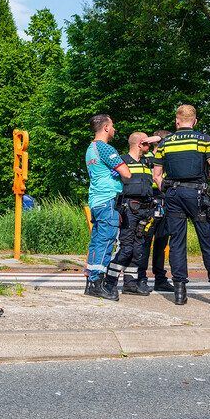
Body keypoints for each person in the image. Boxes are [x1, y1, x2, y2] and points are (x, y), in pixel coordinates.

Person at [152, 105, 210, 306]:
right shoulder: (203, 139)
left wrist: (167, 186)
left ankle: (179, 293)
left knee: (176, 242)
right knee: (207, 241)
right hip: (197, 194)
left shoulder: (166, 142)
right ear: (195, 121)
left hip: (173, 194)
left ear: (177, 121)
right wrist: (201, 177)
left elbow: (157, 175)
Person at [104, 132, 161, 298]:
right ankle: (110, 282)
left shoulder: (148, 160)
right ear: (139, 144)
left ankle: (130, 284)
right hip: (129, 209)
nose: (149, 147)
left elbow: (166, 143)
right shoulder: (121, 161)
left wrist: (155, 139)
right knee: (127, 248)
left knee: (138, 248)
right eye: (146, 144)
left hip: (146, 210)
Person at [84, 114, 131, 300]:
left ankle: (91, 282)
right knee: (106, 240)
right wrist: (120, 170)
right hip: (108, 199)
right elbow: (126, 173)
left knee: (96, 240)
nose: (114, 129)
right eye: (112, 126)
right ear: (105, 128)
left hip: (96, 200)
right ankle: (98, 284)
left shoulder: (90, 149)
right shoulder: (104, 148)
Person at [125, 130, 174, 293]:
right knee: (144, 242)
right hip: (148, 202)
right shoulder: (146, 159)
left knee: (161, 242)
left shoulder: (167, 161)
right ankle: (141, 278)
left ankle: (160, 278)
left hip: (164, 201)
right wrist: (155, 140)